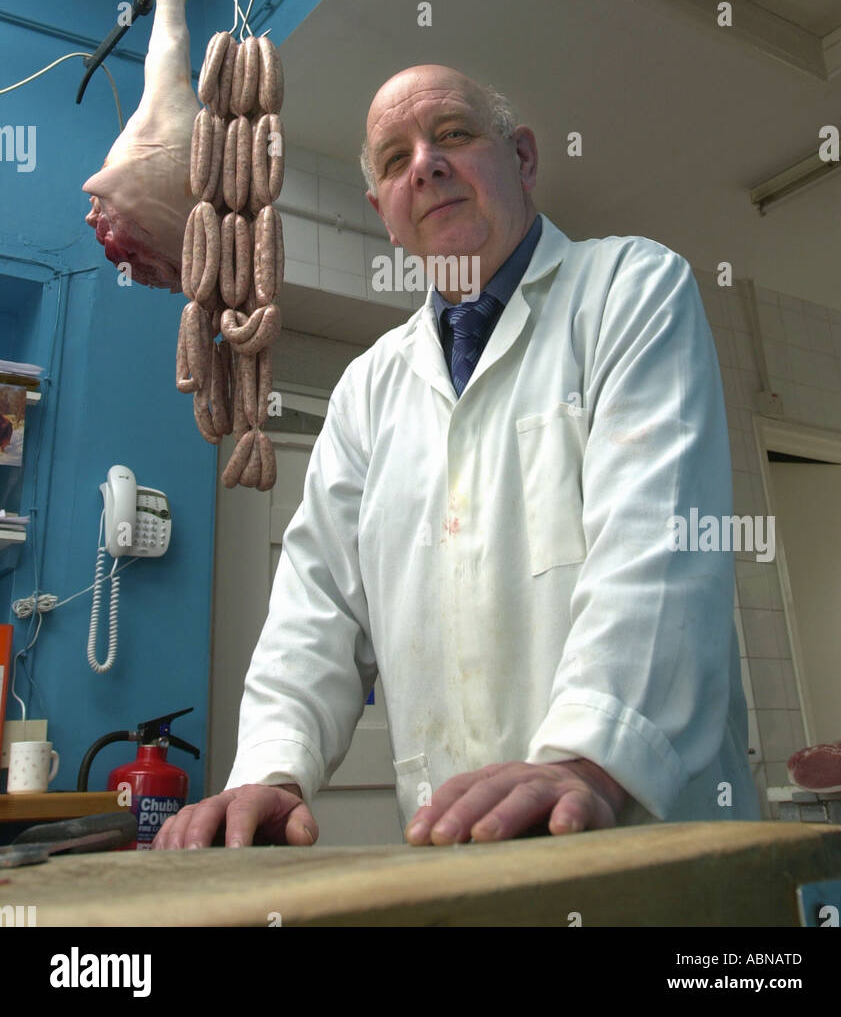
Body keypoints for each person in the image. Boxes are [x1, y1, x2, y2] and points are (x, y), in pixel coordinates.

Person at [153, 62, 759, 850]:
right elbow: (316, 609)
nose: (426, 166)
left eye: (453, 135)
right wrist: (270, 771)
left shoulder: (630, 289)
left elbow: (660, 542)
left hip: (651, 841)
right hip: (457, 853)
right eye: (395, 159)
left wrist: (589, 760)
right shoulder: (367, 390)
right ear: (384, 212)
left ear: (525, 159)